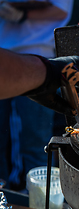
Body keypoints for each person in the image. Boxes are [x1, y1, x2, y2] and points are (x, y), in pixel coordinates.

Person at [0, 48, 79, 187]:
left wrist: (46, 73)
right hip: (21, 56)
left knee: (36, 147)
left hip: (29, 56)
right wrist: (47, 72)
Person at [0, 0, 74, 190]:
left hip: (34, 57)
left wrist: (22, 14)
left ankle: (32, 202)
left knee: (33, 143)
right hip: (9, 55)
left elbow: (59, 9)